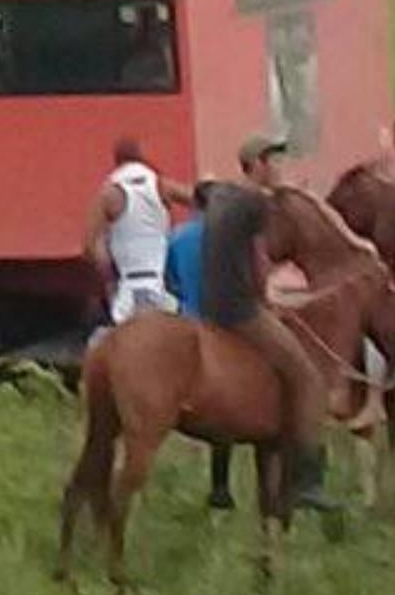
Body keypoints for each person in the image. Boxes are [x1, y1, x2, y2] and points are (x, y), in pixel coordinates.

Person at [200, 134, 341, 513]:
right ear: (257, 164)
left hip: (209, 305)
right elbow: (259, 260)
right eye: (273, 161)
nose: (278, 168)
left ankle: (220, 480)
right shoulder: (256, 203)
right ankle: (307, 480)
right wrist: (268, 302)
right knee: (308, 376)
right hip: (239, 308)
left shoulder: (222, 194)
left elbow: (196, 190)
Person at [86, 137, 193, 325]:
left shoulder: (109, 194)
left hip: (127, 290)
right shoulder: (162, 185)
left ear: (117, 161)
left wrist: (110, 281)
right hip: (159, 285)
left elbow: (91, 247)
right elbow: (198, 199)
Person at [164, 180, 216, 318]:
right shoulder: (232, 235)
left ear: (194, 203)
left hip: (189, 315)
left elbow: (168, 281)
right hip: (226, 318)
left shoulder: (175, 237)